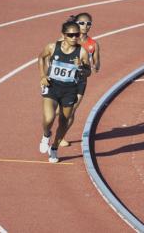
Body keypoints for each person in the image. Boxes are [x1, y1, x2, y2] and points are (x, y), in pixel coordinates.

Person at [38, 21, 91, 163]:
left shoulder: (82, 52)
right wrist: (43, 76)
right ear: (63, 35)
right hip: (52, 86)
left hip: (69, 90)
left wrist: (80, 67)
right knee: (49, 118)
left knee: (64, 121)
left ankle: (54, 148)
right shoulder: (52, 47)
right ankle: (46, 135)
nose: (74, 37)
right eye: (71, 35)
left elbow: (88, 72)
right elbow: (41, 57)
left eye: (77, 35)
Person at [58, 12, 101, 147]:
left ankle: (61, 137)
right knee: (58, 111)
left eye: (89, 24)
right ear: (76, 24)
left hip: (79, 81)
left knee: (71, 110)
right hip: (62, 78)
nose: (85, 26)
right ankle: (49, 133)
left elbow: (97, 64)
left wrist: (93, 66)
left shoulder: (93, 44)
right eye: (82, 23)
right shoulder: (67, 39)